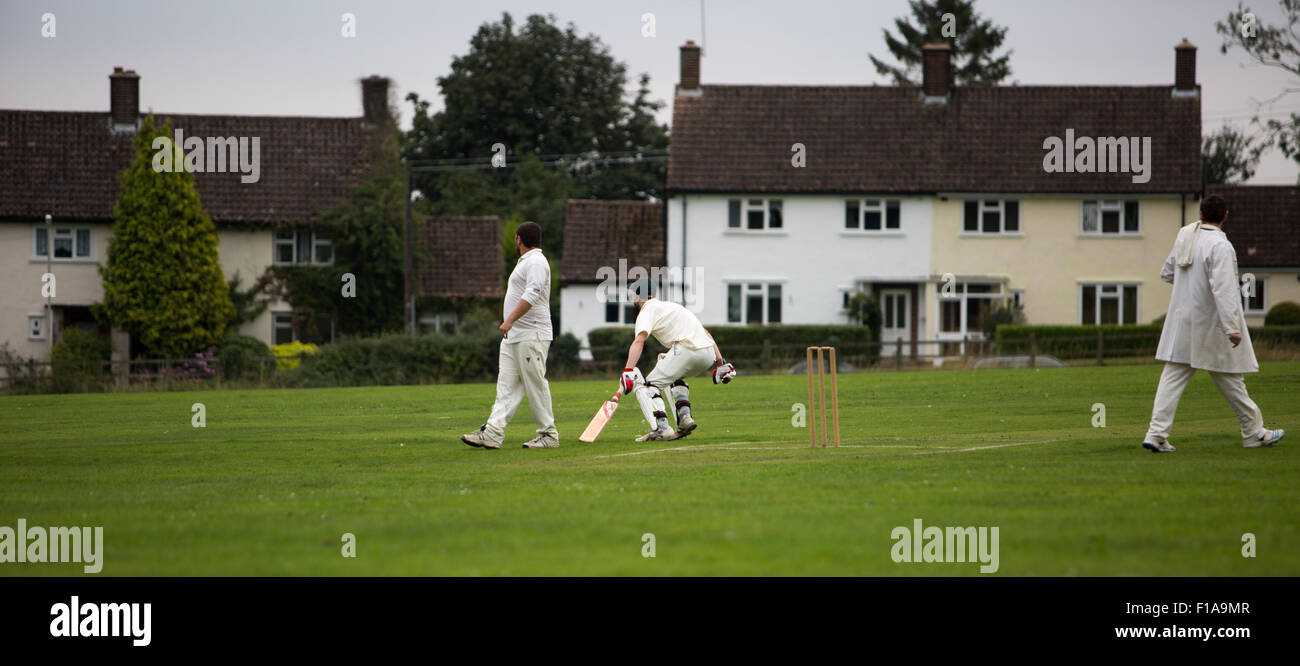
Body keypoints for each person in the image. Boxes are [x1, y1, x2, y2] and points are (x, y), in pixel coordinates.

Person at [1143, 195, 1284, 453]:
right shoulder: (1221, 246)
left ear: (1201, 214)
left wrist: (1190, 287)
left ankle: (1156, 434)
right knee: (1231, 378)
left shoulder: (1185, 236)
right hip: (1209, 324)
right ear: (1225, 216)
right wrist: (1232, 328)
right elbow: (1225, 289)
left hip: (1182, 322)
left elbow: (1167, 273)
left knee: (1173, 377)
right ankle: (1254, 433)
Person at [461, 221, 559, 449]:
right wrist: (512, 325)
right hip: (515, 336)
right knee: (506, 386)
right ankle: (493, 432)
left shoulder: (536, 261)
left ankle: (549, 434)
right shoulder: (526, 262)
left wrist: (510, 320)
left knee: (535, 383)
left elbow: (533, 294)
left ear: (518, 239)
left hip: (531, 334)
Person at [619, 282, 736, 441]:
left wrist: (628, 370)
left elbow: (639, 340)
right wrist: (721, 363)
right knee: (671, 373)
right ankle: (685, 417)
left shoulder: (647, 310)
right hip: (707, 353)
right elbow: (705, 333)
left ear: (636, 295)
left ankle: (663, 429)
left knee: (650, 386)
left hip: (686, 350)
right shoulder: (673, 306)